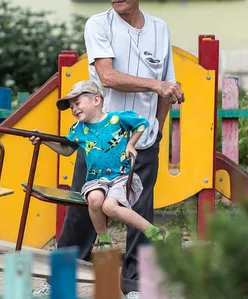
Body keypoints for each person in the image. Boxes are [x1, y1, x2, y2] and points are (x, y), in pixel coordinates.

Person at [33, 0, 185, 298]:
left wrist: (157, 130)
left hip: (141, 142)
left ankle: (136, 287)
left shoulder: (160, 29)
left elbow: (168, 85)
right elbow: (107, 76)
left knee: (141, 215)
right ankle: (59, 282)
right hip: (99, 139)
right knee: (81, 213)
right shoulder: (98, 24)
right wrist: (156, 86)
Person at [29, 80, 168, 250]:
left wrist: (131, 144)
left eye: (77, 103)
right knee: (94, 200)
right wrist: (43, 140)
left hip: (120, 178)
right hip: (96, 179)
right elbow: (66, 150)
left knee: (109, 207)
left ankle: (152, 231)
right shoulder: (78, 129)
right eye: (72, 107)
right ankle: (104, 240)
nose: (74, 109)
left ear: (96, 100)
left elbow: (141, 124)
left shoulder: (116, 119)